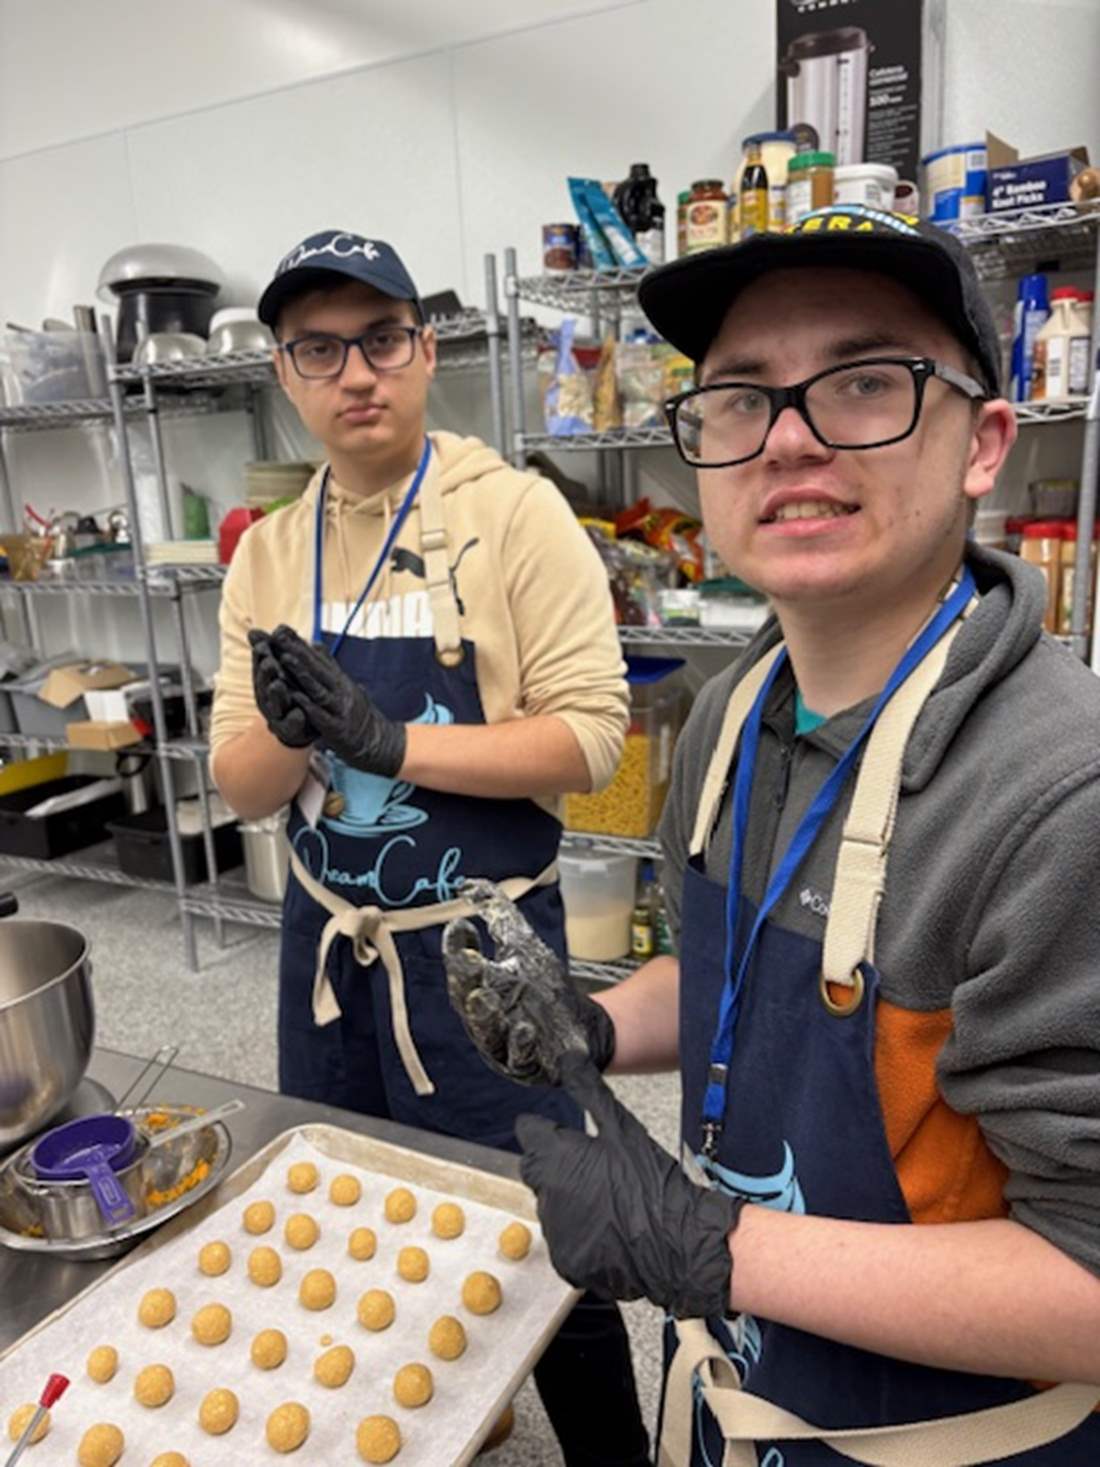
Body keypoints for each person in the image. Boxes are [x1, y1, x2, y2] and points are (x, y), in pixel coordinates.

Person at [444, 206, 1100, 1464]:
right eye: (739, 398)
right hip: (749, 1392)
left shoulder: (1056, 799)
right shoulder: (734, 717)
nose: (789, 438)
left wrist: (707, 1244)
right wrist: (594, 1025)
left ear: (986, 443)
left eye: (864, 383)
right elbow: (734, 978)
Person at [209, 228, 650, 1465]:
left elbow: (588, 741)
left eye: (381, 339)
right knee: (351, 1212)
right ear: (284, 372)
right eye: (318, 348)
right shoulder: (265, 552)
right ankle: (425, 1424)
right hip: (329, 952)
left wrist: (390, 743)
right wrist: (295, 739)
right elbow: (239, 788)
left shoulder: (512, 516)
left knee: (546, 1227)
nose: (356, 373)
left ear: (426, 348)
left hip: (485, 949)